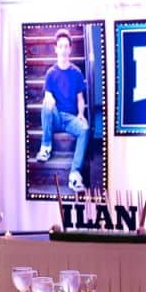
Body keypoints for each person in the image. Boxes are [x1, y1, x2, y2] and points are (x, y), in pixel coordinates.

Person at [36, 30, 90, 193]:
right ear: (56, 49)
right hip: (56, 117)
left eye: (66, 46)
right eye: (61, 46)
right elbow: (47, 95)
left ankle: (74, 174)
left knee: (84, 129)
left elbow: (80, 99)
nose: (64, 50)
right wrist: (50, 98)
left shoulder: (76, 73)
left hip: (70, 118)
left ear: (70, 49)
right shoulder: (51, 73)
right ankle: (46, 147)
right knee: (46, 104)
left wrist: (81, 114)